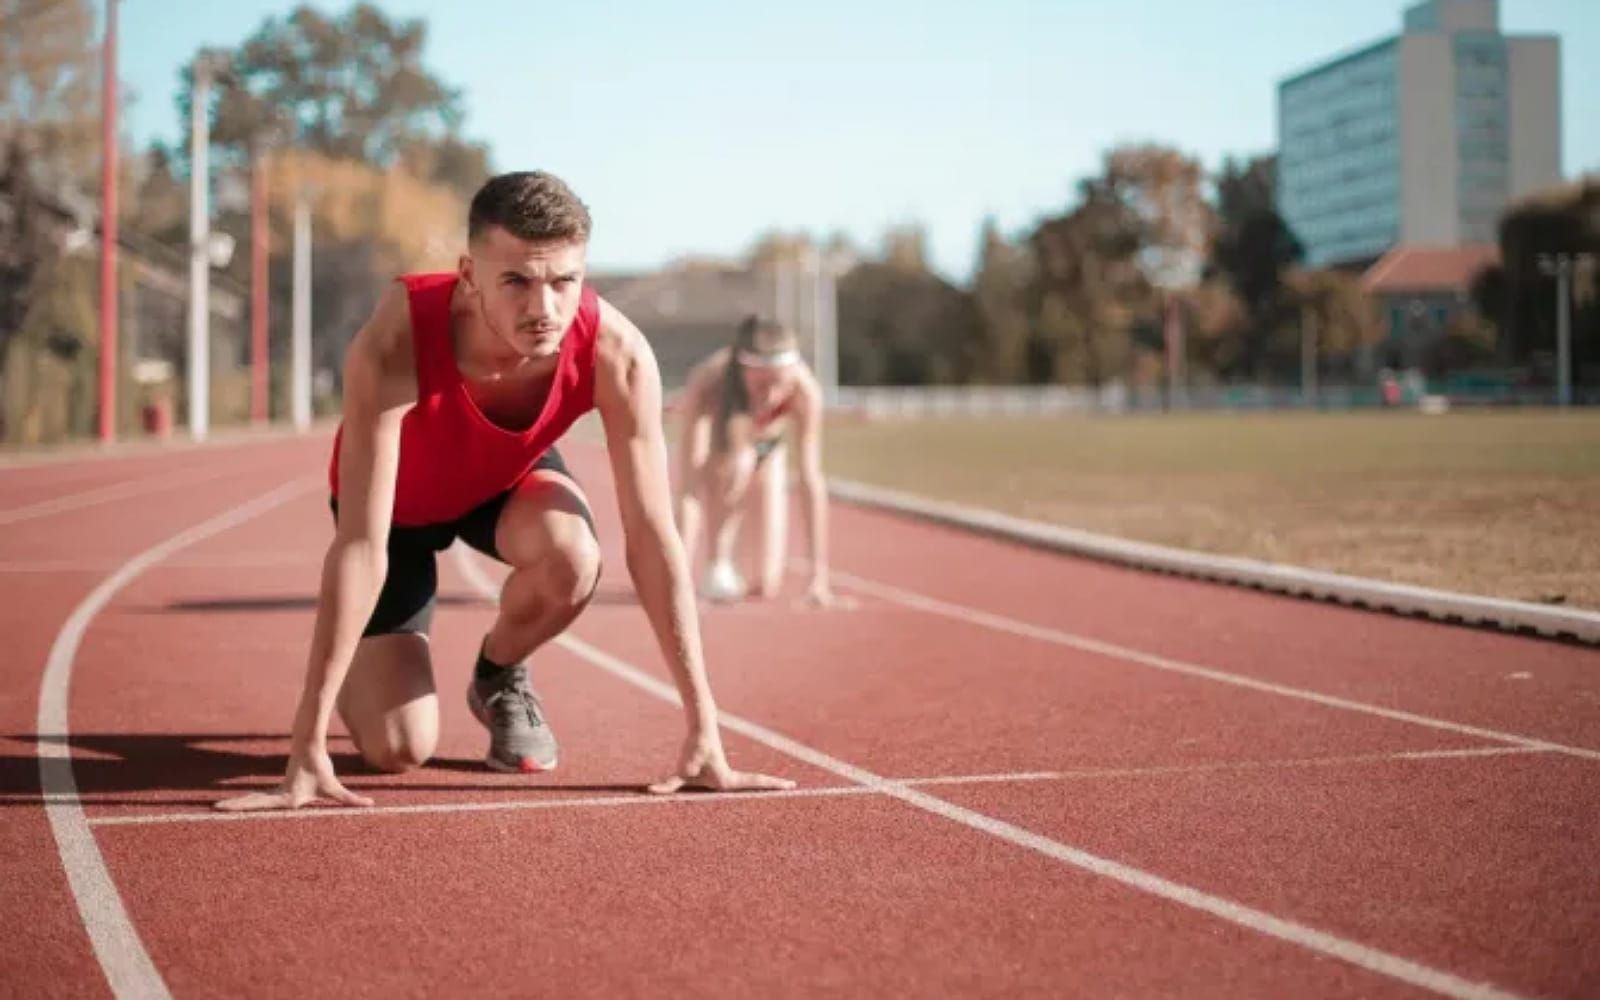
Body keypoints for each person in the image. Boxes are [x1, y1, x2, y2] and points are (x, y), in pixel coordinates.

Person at [217, 171, 793, 811]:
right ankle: (359, 663)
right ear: (469, 275)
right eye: (516, 280)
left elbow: (654, 539)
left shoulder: (617, 354)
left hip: (502, 484)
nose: (543, 308)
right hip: (397, 513)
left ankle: (498, 674)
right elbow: (360, 543)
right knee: (398, 749)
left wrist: (704, 729)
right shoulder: (396, 339)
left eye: (563, 281)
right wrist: (306, 745)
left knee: (575, 556)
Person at [673, 316, 845, 607]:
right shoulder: (707, 383)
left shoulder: (805, 392)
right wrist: (676, 576)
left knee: (765, 584)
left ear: (793, 370)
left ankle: (739, 567)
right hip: (723, 450)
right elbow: (689, 486)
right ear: (743, 371)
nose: (770, 394)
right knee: (737, 466)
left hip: (769, 448)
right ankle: (719, 561)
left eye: (779, 383)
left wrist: (818, 577)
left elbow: (810, 479)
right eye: (760, 384)